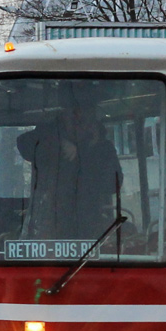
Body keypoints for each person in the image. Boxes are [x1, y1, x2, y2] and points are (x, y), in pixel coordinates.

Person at [15, 97, 121, 240]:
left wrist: (90, 150)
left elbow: (113, 185)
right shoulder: (48, 134)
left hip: (90, 225)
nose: (81, 122)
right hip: (49, 222)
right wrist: (59, 143)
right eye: (74, 115)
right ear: (65, 115)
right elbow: (23, 144)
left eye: (86, 117)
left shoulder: (103, 148)